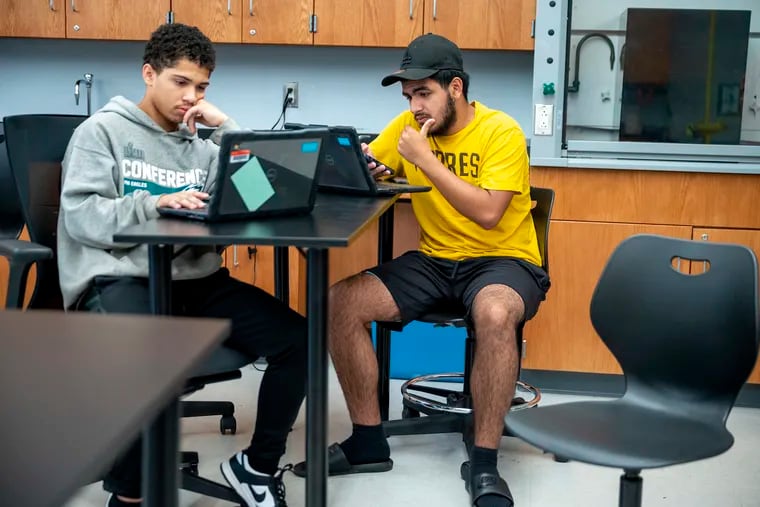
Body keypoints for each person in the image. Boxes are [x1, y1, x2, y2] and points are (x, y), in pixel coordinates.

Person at [293, 34, 550, 507]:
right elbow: (375, 165)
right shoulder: (408, 127)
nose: (414, 105)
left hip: (504, 261)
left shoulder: (502, 132)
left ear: (455, 88)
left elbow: (489, 213)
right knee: (340, 302)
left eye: (423, 92)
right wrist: (365, 169)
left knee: (495, 316)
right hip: (436, 262)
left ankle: (485, 464)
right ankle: (368, 440)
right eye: (408, 95)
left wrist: (425, 161)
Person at [57, 23, 305, 507]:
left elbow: (263, 193)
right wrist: (156, 203)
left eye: (202, 87)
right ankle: (128, 498)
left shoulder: (202, 147)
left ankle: (255, 467)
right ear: (149, 74)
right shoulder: (101, 132)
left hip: (197, 281)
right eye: (181, 82)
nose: (191, 97)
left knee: (299, 340)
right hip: (120, 279)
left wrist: (226, 126)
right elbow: (82, 217)